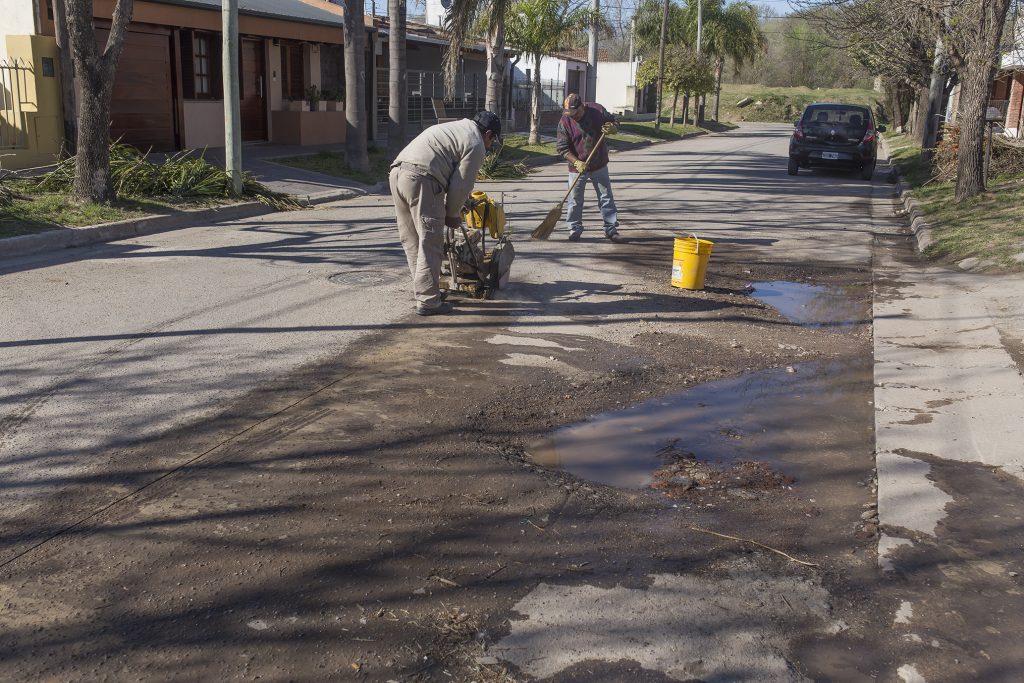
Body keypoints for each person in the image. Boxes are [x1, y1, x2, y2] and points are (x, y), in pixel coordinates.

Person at [390, 111, 501, 316]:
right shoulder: (476, 143)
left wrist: (461, 203)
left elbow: (451, 172)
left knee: (413, 240)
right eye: (492, 140)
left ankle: (426, 291)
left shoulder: (456, 128)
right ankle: (429, 301)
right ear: (488, 134)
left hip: (397, 174)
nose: (490, 145)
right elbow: (462, 183)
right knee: (431, 242)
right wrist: (452, 214)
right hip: (422, 179)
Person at [555, 93, 622, 242]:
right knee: (575, 199)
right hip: (577, 167)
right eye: (569, 114)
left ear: (582, 107)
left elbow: (615, 121)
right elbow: (562, 148)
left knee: (605, 197)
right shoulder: (565, 121)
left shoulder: (597, 110)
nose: (573, 117)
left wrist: (614, 128)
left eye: (575, 113)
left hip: (599, 163)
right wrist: (576, 162)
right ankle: (574, 228)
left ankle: (610, 228)